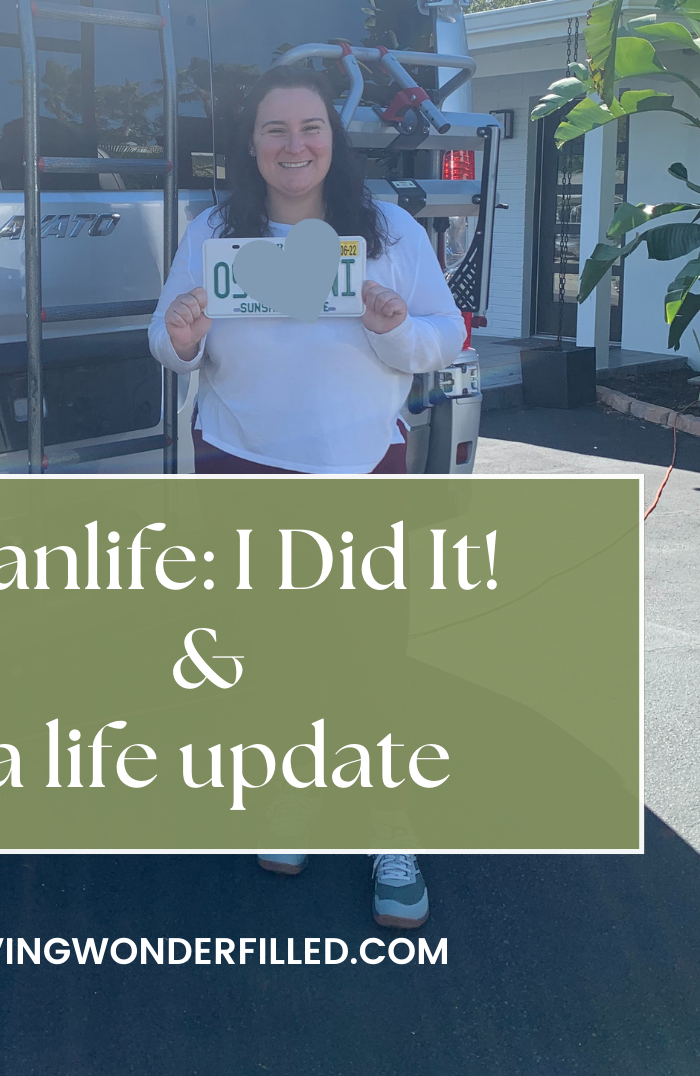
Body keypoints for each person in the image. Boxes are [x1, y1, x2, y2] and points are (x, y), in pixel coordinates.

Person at [148, 66, 467, 929]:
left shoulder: (387, 229)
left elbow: (447, 336)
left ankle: (390, 828)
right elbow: (168, 343)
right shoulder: (214, 232)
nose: (295, 146)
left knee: (367, 661)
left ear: (335, 138)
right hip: (241, 466)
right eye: (276, 130)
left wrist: (398, 326)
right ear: (251, 146)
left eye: (311, 128)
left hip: (358, 472)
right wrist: (179, 338)